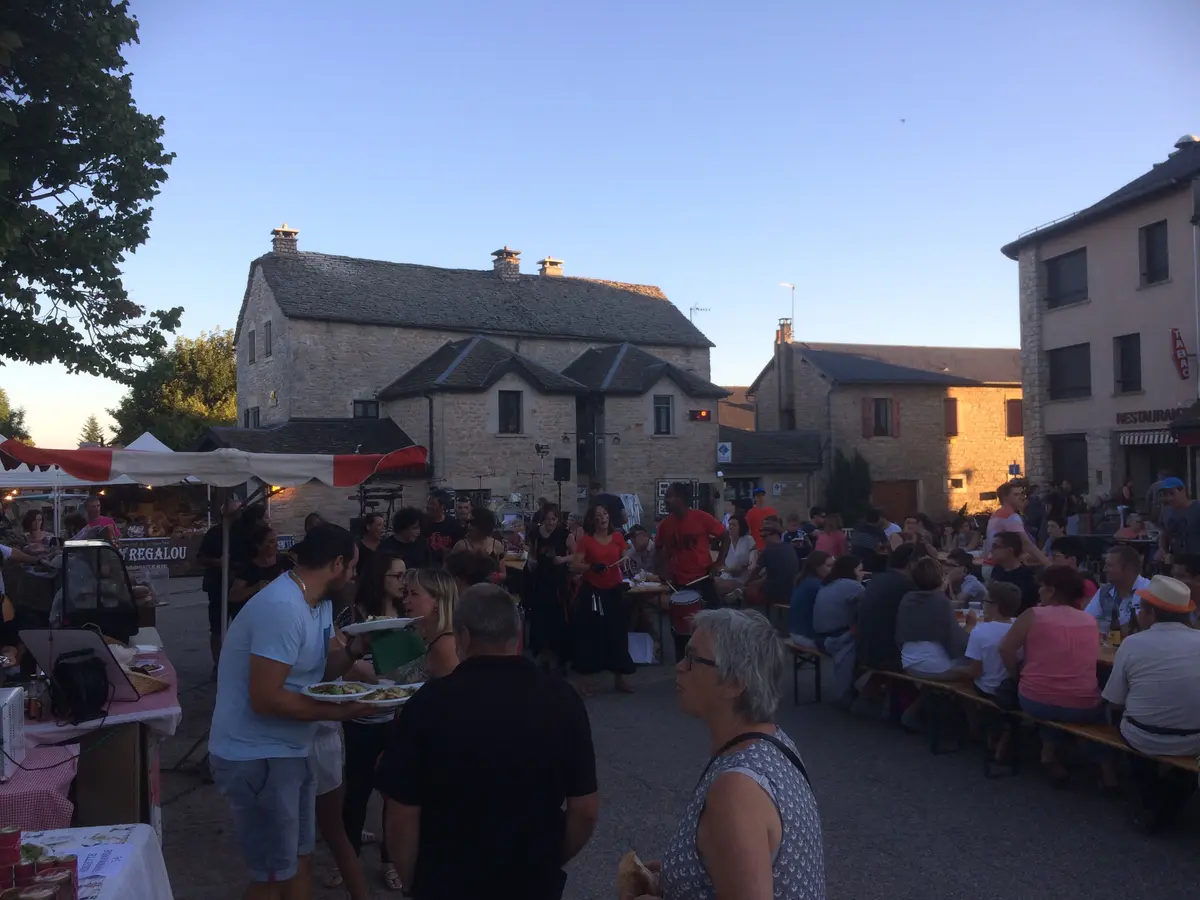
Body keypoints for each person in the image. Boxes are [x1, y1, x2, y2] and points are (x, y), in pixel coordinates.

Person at [376, 584, 598, 900]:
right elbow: (585, 809)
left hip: (446, 879)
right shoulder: (562, 699)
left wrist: (413, 881)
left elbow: (401, 812)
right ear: (516, 633)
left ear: (463, 636)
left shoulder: (429, 704)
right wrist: (549, 860)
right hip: (532, 879)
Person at [208, 523, 372, 898]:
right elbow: (265, 698)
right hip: (257, 755)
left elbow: (321, 668)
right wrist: (340, 712)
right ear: (337, 563)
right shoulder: (282, 607)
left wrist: (353, 652)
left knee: (300, 860)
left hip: (290, 751)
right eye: (352, 567)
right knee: (272, 876)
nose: (354, 576)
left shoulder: (318, 604)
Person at [650, 608, 825, 900]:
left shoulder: (736, 791)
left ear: (734, 683)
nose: (680, 666)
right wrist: (675, 877)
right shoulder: (774, 741)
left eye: (693, 659)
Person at [999, 565, 1118, 789]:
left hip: (1034, 699)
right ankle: (1108, 773)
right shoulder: (1089, 621)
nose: (1039, 592)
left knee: (1048, 695)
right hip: (1081, 705)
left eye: (1042, 587)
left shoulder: (1033, 614)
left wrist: (1017, 675)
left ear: (1052, 590)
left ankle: (1049, 754)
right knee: (1099, 714)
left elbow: (1005, 649)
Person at [1102, 575, 1200, 832]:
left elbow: (1114, 700)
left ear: (1151, 612)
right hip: (1195, 739)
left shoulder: (1133, 643)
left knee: (1122, 722)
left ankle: (1149, 797)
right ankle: (1172, 795)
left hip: (1143, 736)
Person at [571, 504, 634, 695]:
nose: (602, 518)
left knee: (618, 633)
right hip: (593, 593)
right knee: (591, 635)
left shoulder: (617, 537)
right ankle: (585, 681)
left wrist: (626, 558)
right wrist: (591, 567)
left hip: (613, 590)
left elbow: (626, 554)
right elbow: (575, 564)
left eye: (605, 514)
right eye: (598, 515)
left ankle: (619, 678)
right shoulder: (587, 540)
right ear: (592, 520)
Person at [895, 558, 968, 680]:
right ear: (940, 578)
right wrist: (970, 627)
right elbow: (955, 642)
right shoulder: (940, 602)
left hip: (908, 662)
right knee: (979, 660)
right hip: (933, 667)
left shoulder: (907, 599)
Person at [855, 544, 919, 673]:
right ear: (911, 564)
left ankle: (871, 691)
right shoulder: (906, 584)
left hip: (863, 647)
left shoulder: (878, 578)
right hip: (885, 654)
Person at [526, 503, 572, 670]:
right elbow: (531, 554)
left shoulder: (563, 534)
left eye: (554, 519)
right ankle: (541, 656)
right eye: (547, 519)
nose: (551, 523)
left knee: (558, 619)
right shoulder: (535, 534)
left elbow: (577, 553)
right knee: (540, 619)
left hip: (557, 582)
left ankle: (560, 658)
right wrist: (531, 561)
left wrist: (563, 559)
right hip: (540, 580)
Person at [961, 581, 1022, 698]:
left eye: (985, 602)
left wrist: (969, 628)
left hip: (989, 689)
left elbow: (975, 672)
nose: (983, 605)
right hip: (1014, 688)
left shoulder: (980, 631)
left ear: (995, 605)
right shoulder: (1020, 625)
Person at [1084, 544, 1149, 637]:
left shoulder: (1149, 591)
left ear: (1128, 568)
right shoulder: (1104, 591)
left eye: (1109, 565)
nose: (1104, 569)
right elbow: (1086, 622)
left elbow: (1138, 627)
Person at [229, 526, 295, 609]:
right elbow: (232, 596)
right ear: (259, 546)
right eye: (271, 542)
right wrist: (254, 588)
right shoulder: (248, 568)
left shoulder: (285, 562)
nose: (276, 544)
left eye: (276, 541)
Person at [744, 516, 799, 609]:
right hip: (791, 591)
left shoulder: (768, 551)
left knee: (748, 591)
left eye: (764, 536)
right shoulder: (789, 547)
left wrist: (745, 584)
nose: (763, 539)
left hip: (775, 594)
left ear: (775, 534)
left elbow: (753, 574)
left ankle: (752, 618)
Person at [788, 550, 831, 650]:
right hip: (805, 636)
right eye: (829, 566)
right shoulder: (815, 585)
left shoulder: (804, 579)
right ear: (817, 567)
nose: (832, 570)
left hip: (796, 632)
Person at [988, 532, 1039, 613]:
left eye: (995, 547)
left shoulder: (1027, 576)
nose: (991, 550)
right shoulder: (997, 569)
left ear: (1009, 550)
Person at [714, 513, 756, 601]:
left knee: (720, 587)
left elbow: (753, 557)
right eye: (729, 524)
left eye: (734, 525)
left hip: (741, 577)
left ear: (741, 527)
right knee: (711, 583)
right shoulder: (726, 542)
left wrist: (750, 562)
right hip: (726, 574)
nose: (730, 527)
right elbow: (720, 562)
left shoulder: (748, 540)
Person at [1158, 476, 1200, 562]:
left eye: (1171, 493)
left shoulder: (1197, 509)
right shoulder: (1166, 512)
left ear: (1182, 491)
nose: (1169, 498)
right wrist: (1163, 552)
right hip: (1177, 559)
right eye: (1165, 494)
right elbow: (1164, 534)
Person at [380, 507, 430, 571]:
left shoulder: (422, 544)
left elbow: (428, 568)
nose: (418, 532)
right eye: (414, 528)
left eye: (419, 528)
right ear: (403, 528)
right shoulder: (386, 546)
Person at [422, 490, 463, 566]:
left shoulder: (454, 525)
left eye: (433, 504)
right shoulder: (421, 523)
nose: (429, 506)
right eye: (428, 503)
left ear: (442, 506)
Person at [985, 481, 1026, 550]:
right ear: (1005, 498)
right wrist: (1046, 561)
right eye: (1016, 495)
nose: (1021, 497)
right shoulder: (1011, 517)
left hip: (993, 557)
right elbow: (1027, 545)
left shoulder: (996, 514)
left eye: (1021, 494)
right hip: (1000, 559)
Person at [744, 488, 778, 552]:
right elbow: (747, 531)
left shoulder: (772, 511)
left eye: (762, 495)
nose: (760, 498)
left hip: (770, 547)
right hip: (756, 548)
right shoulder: (750, 513)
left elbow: (776, 529)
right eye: (758, 496)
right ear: (754, 498)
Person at [356, 512, 386, 578]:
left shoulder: (387, 545)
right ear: (368, 527)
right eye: (379, 525)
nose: (383, 528)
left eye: (384, 525)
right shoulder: (358, 547)